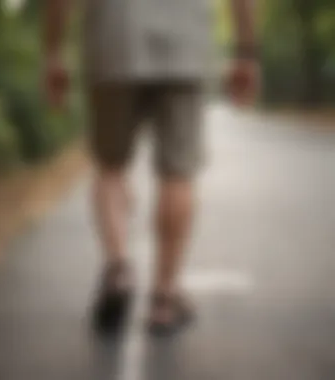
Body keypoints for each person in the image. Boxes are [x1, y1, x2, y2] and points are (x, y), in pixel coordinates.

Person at [45, 0, 259, 336]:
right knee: (178, 171)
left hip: (113, 35)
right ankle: (164, 298)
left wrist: (54, 51)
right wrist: (247, 51)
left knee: (110, 166)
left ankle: (118, 270)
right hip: (184, 40)